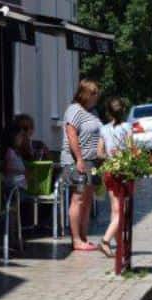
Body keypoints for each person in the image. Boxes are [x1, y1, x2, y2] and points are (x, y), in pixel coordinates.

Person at [61, 79, 103, 252]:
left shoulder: (93, 111)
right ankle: (76, 239)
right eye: (93, 94)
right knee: (77, 199)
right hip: (77, 161)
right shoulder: (74, 110)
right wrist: (79, 159)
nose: (96, 97)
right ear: (85, 94)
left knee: (87, 200)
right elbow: (71, 135)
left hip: (92, 161)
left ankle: (84, 237)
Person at [97, 96, 133, 258]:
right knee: (122, 211)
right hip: (122, 171)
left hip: (109, 170)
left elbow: (99, 153)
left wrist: (109, 157)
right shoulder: (127, 127)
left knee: (115, 209)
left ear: (108, 113)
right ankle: (105, 241)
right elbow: (132, 150)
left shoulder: (104, 129)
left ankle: (118, 243)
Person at [2, 122, 28, 192]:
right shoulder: (9, 152)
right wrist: (22, 172)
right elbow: (7, 169)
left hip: (19, 188)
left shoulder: (16, 152)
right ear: (13, 137)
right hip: (15, 190)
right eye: (20, 136)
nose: (22, 139)